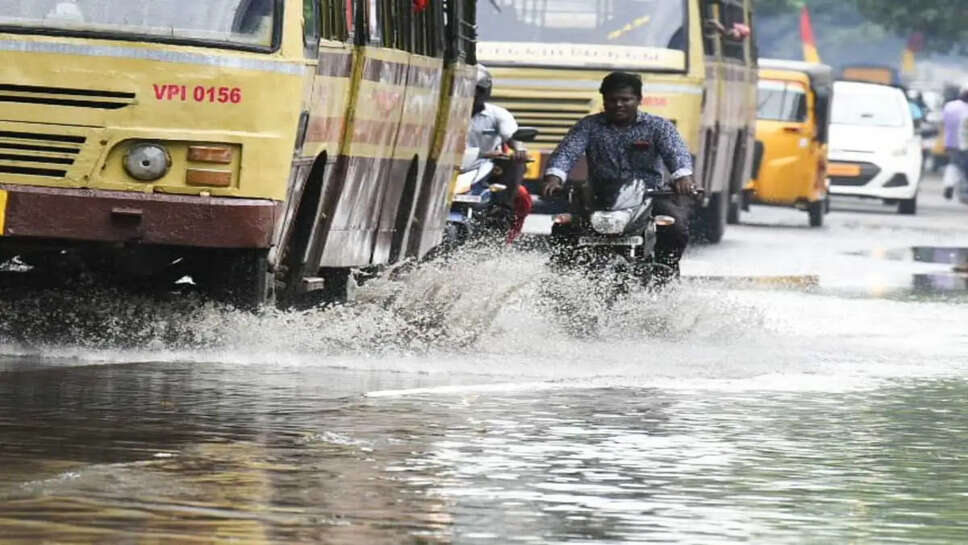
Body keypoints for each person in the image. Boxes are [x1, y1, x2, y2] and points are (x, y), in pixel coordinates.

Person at [541, 72, 697, 277]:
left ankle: (664, 275)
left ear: (639, 100)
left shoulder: (659, 127)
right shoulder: (588, 126)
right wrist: (554, 177)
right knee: (564, 226)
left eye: (626, 99)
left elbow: (676, 152)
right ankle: (560, 278)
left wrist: (683, 177)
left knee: (675, 226)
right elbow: (567, 152)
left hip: (648, 197)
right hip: (598, 198)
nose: (619, 105)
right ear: (604, 101)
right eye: (612, 100)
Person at [466, 64, 530, 240]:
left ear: (486, 91)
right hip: (447, 166)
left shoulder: (498, 114)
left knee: (521, 196)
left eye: (477, 90)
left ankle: (502, 234)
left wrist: (519, 150)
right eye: (467, 89)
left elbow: (511, 134)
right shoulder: (443, 111)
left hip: (482, 170)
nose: (472, 94)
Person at [940, 83, 968, 200]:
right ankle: (963, 191)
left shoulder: (949, 106)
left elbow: (943, 121)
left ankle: (949, 184)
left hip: (950, 141)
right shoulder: (965, 109)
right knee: (963, 167)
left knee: (953, 164)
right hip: (964, 143)